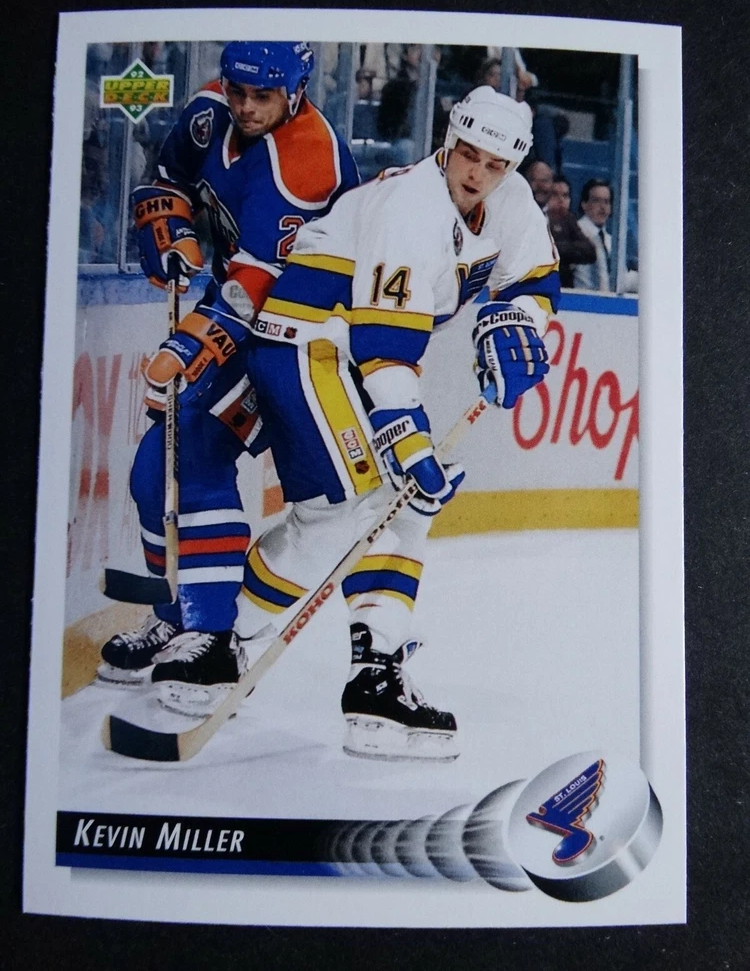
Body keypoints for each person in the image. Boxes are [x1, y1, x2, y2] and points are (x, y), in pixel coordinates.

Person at [158, 87, 560, 761]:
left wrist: (517, 321)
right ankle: (224, 644)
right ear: (449, 140)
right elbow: (385, 343)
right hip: (306, 342)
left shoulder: (511, 200)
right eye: (468, 154)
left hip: (359, 355)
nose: (477, 173)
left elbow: (537, 280)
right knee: (342, 513)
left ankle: (376, 676)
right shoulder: (411, 206)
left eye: (495, 165)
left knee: (404, 509)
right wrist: (408, 438)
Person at [97, 42, 360, 696]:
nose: (245, 106)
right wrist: (169, 220)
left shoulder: (306, 162)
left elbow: (254, 289)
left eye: (261, 96)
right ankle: (176, 616)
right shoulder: (211, 110)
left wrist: (191, 346)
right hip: (239, 315)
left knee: (193, 454)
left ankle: (211, 636)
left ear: (296, 92)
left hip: (301, 338)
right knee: (153, 471)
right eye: (237, 90)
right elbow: (168, 177)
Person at [546, 174, 596, 288]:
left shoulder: (569, 220)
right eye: (555, 194)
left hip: (565, 286)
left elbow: (589, 252)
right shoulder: (538, 218)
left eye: (565, 195)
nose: (561, 200)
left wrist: (557, 247)